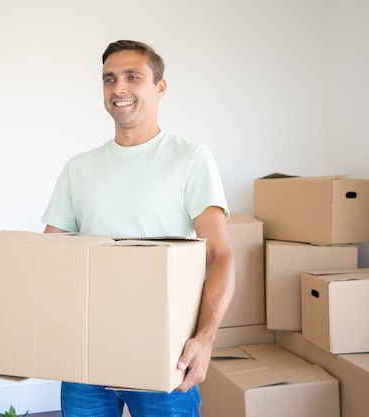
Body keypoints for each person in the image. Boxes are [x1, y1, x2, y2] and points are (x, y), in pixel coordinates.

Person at [41, 40, 235, 417]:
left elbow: (220, 255)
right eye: (109, 79)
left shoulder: (190, 159)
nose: (119, 88)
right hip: (86, 355)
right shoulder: (78, 168)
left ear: (160, 88)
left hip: (164, 351)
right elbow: (50, 256)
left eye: (133, 77)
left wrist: (205, 338)